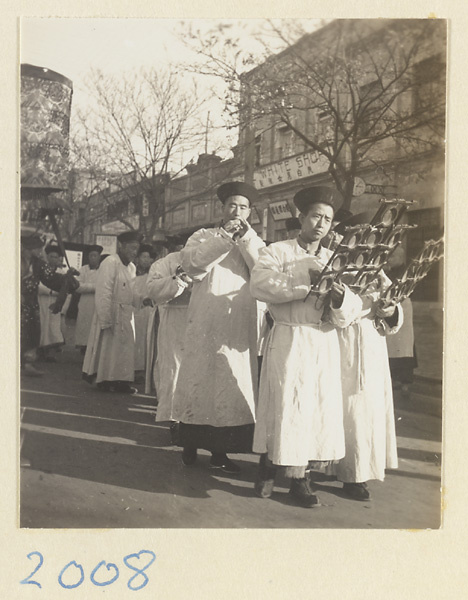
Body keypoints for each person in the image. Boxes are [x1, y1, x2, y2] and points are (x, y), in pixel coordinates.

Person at [250, 186, 356, 508]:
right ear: (301, 217)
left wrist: (340, 299)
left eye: (327, 219)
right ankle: (272, 464)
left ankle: (301, 475)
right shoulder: (278, 251)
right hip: (289, 337)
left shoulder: (334, 259)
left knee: (314, 410)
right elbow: (260, 284)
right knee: (284, 403)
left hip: (322, 341)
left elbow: (349, 311)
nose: (321, 224)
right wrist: (305, 285)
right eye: (315, 216)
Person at [172, 181, 265, 473]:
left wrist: (246, 240)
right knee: (199, 379)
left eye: (243, 207)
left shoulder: (255, 240)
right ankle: (190, 442)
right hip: (205, 317)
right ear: (222, 209)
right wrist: (225, 238)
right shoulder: (203, 235)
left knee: (229, 383)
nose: (237, 212)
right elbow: (194, 265)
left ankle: (220, 451)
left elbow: (262, 270)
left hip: (237, 319)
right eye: (232, 206)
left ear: (250, 212)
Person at [328, 213, 403, 501]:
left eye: (367, 238)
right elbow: (337, 313)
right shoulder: (335, 267)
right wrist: (367, 304)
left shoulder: (377, 272)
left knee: (368, 410)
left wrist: (389, 310)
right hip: (342, 345)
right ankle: (342, 471)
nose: (362, 244)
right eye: (355, 237)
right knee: (347, 409)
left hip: (372, 346)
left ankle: (358, 472)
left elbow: (393, 305)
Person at [82, 230, 141, 394]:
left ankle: (122, 381)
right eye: (132, 247)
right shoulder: (110, 262)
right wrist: (105, 317)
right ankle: (105, 380)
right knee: (109, 348)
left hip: (126, 313)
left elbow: (133, 290)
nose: (134, 252)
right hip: (111, 311)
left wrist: (142, 300)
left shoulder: (131, 267)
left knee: (125, 350)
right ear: (121, 246)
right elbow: (104, 291)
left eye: (137, 249)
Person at [146, 243, 192, 426]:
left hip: (199, 319)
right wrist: (177, 280)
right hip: (173, 317)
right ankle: (173, 417)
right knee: (173, 366)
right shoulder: (163, 264)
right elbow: (154, 290)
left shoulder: (209, 261)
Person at [21, 235, 78, 377]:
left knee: (31, 332)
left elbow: (52, 278)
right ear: (29, 248)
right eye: (39, 248)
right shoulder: (10, 259)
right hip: (10, 302)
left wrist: (67, 280)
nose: (41, 251)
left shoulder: (38, 264)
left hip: (30, 305)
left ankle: (26, 364)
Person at [37, 244, 65, 362]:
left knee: (53, 326)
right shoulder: (41, 269)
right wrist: (51, 292)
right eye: (51, 256)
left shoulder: (61, 271)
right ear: (47, 257)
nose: (54, 259)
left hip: (55, 303)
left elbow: (65, 288)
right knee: (42, 324)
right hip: (42, 300)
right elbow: (38, 285)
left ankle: (50, 353)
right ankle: (40, 351)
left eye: (56, 257)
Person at [75, 245, 103, 353]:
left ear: (99, 257)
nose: (93, 258)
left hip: (97, 302)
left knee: (95, 325)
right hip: (85, 302)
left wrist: (88, 286)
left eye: (95, 256)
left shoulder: (103, 270)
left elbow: (104, 286)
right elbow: (77, 286)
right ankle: (84, 347)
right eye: (91, 256)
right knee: (84, 324)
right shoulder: (83, 269)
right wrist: (94, 287)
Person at [133, 244, 156, 376]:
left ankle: (146, 369)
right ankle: (135, 368)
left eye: (149, 257)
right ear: (138, 258)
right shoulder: (131, 273)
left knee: (147, 339)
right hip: (135, 310)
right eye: (143, 257)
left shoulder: (152, 275)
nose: (146, 260)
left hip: (148, 310)